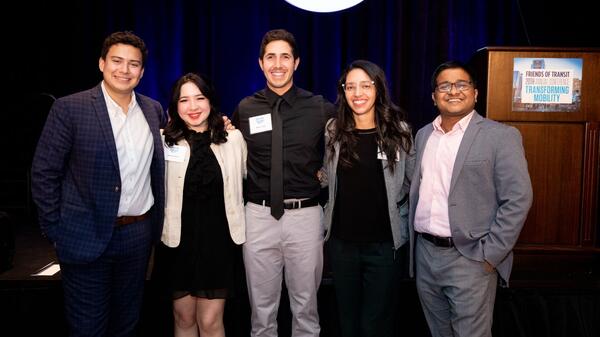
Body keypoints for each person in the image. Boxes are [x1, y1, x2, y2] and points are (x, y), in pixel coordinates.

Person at [30, 31, 166, 336]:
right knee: (88, 327)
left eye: (133, 64)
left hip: (137, 236)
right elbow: (44, 173)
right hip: (84, 235)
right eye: (117, 61)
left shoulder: (153, 110)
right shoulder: (69, 109)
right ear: (102, 63)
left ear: (142, 72)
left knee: (127, 323)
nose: (124, 70)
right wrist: (55, 229)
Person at [409, 60, 533, 337]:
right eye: (444, 86)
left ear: (475, 93)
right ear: (434, 96)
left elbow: (518, 199)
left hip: (471, 257)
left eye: (462, 84)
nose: (453, 91)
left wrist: (490, 255)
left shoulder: (500, 136)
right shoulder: (423, 135)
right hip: (426, 255)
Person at [231, 28, 335, 337]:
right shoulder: (245, 108)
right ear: (261, 63)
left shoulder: (320, 107)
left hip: (305, 217)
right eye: (271, 57)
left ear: (297, 62)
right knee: (261, 311)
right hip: (258, 216)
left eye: (285, 57)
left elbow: (344, 148)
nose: (278, 64)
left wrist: (324, 175)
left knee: (306, 307)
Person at [321, 59, 415, 337]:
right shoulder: (333, 130)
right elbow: (327, 175)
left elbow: (411, 180)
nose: (357, 93)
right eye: (350, 87)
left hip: (385, 245)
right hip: (342, 245)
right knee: (347, 322)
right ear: (343, 91)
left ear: (378, 89)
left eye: (365, 85)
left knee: (375, 324)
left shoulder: (399, 131)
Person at [155, 72, 247, 337]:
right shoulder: (163, 141)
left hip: (218, 245)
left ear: (211, 101)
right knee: (183, 318)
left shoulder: (234, 140)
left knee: (209, 321)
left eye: (199, 98)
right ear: (175, 105)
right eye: (184, 100)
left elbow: (247, 178)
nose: (193, 107)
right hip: (176, 243)